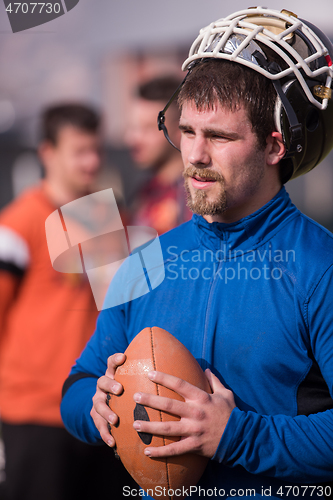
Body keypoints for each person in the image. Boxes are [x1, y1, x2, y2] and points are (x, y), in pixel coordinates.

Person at [61, 8, 333, 499]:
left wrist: (234, 435)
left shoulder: (320, 268)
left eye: (220, 137)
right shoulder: (144, 261)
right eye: (187, 131)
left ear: (275, 146)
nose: (195, 155)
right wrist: (94, 407)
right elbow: (77, 386)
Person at [0, 103, 136, 500]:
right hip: (33, 415)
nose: (91, 162)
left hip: (100, 409)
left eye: (96, 150)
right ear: (47, 153)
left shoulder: (106, 217)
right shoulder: (18, 224)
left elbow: (119, 309)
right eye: (79, 151)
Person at [125, 75, 191, 234]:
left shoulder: (194, 195)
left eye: (147, 128)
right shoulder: (145, 190)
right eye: (132, 127)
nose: (132, 139)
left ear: (180, 130)